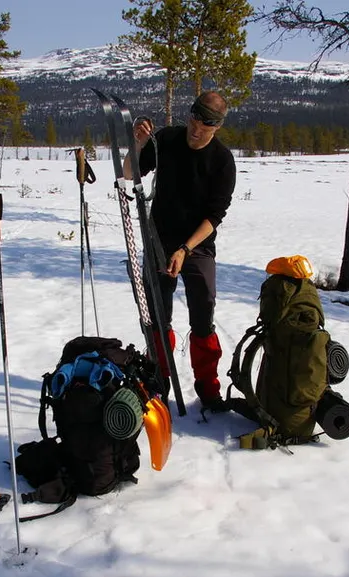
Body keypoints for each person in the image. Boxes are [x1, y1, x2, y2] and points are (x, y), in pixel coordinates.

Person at [124, 91, 236, 412]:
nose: (196, 129)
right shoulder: (167, 139)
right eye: (193, 119)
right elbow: (130, 172)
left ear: (216, 127)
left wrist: (186, 249)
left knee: (203, 315)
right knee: (158, 318)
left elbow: (214, 216)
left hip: (197, 246)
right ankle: (158, 382)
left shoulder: (222, 161)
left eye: (205, 125)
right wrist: (140, 143)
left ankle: (208, 389)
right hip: (159, 242)